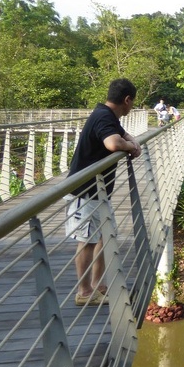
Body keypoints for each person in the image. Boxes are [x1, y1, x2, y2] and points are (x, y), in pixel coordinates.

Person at [66, 78, 142, 305]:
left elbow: (123, 135)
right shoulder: (103, 117)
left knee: (104, 238)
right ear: (126, 100)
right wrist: (129, 147)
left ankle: (98, 285)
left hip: (98, 192)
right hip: (84, 192)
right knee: (87, 241)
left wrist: (132, 141)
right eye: (132, 103)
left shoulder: (107, 115)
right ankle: (84, 292)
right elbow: (113, 144)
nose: (132, 107)